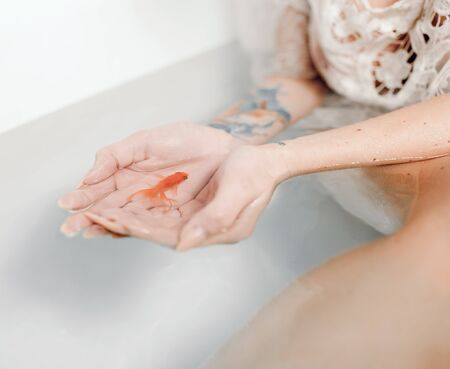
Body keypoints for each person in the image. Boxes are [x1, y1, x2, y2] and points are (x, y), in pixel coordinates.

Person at [59, 0, 450, 366]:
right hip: (379, 137)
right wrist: (225, 137)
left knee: (432, 259)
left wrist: (279, 159)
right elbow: (306, 78)